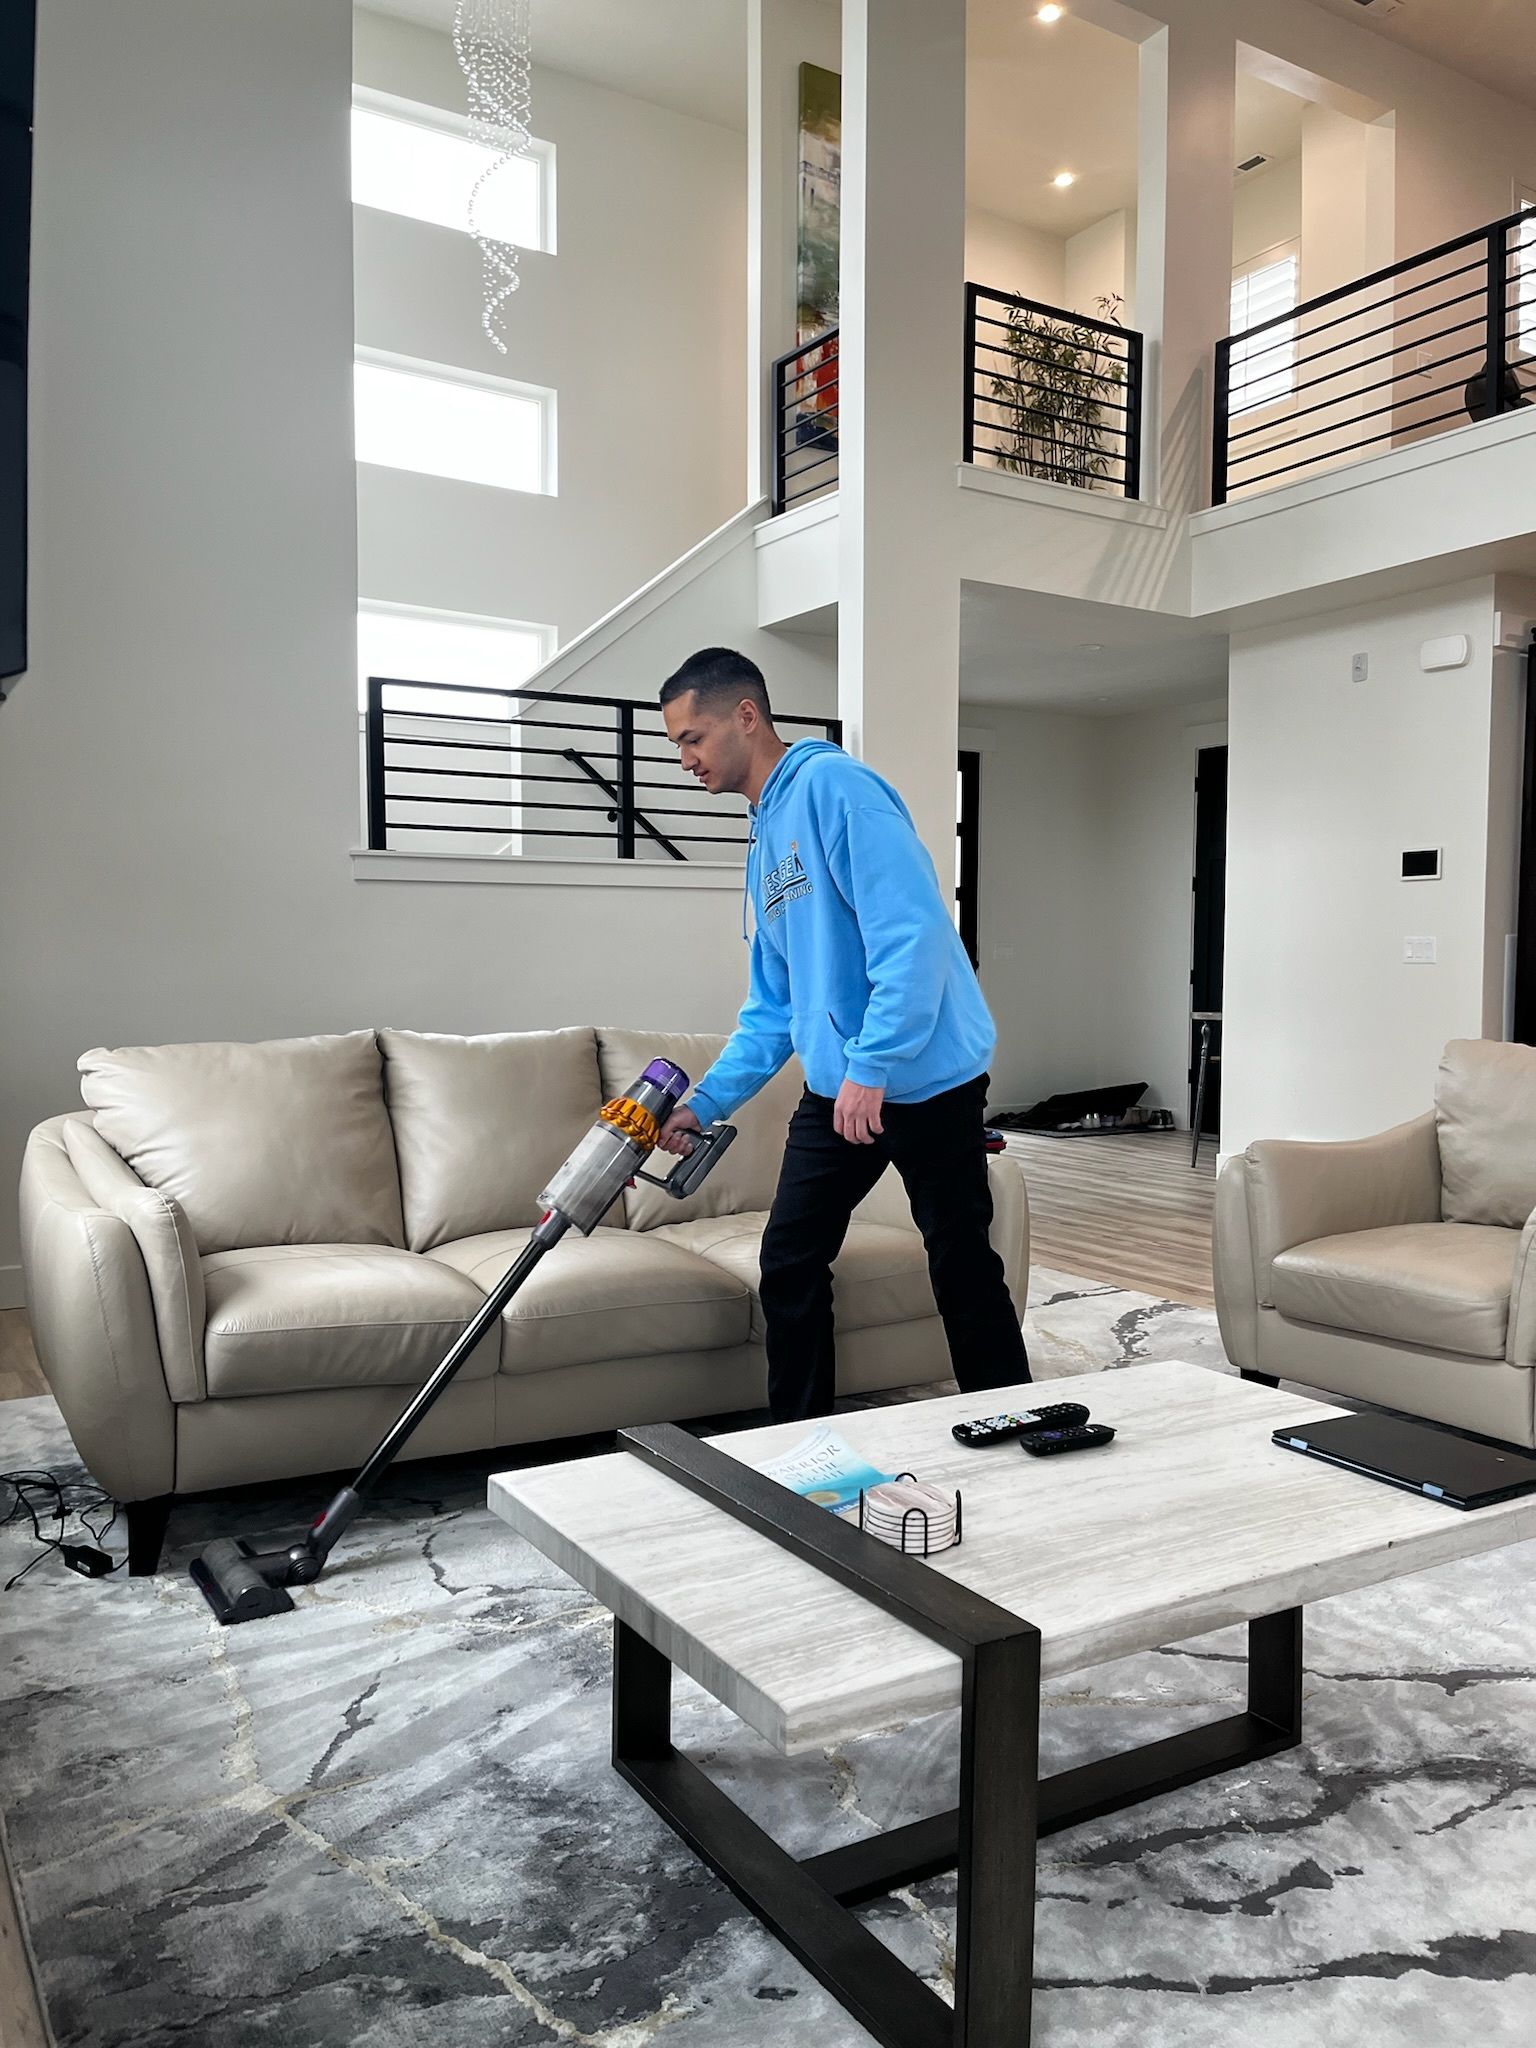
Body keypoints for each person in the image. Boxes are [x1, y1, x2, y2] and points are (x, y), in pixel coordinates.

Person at [656, 646, 1031, 1423]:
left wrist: (875, 1064)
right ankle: (803, 1447)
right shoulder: (763, 840)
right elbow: (772, 1006)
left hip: (926, 1082)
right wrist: (706, 1102)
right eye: (677, 746)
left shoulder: (838, 790)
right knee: (790, 1259)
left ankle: (1015, 1422)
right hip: (839, 1091)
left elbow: (913, 938)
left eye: (692, 738)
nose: (684, 758)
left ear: (746, 716)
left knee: (959, 1261)